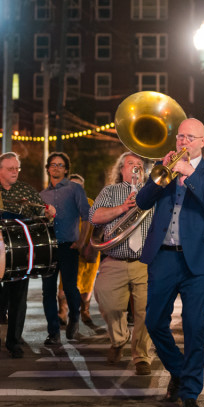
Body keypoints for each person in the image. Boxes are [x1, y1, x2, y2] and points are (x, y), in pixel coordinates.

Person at [136, 118, 204, 407]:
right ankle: (179, 370)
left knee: (193, 326)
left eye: (190, 137)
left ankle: (190, 393)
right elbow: (142, 201)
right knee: (154, 322)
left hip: (198, 259)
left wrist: (190, 176)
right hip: (163, 256)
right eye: (180, 136)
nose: (183, 141)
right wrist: (157, 177)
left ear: (203, 141)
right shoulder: (165, 169)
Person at [0, 152, 54, 359]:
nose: (14, 172)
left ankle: (14, 342)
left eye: (17, 168)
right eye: (10, 168)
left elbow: (40, 221)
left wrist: (48, 215)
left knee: (18, 300)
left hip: (20, 255)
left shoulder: (27, 191)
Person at [90, 152, 155, 375]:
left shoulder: (153, 191)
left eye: (140, 164)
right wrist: (122, 208)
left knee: (146, 311)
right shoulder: (110, 191)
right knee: (107, 302)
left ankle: (141, 356)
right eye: (131, 164)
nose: (136, 168)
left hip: (146, 262)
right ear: (121, 169)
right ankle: (118, 339)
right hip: (115, 258)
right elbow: (94, 216)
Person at [39, 152, 91, 346]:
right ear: (48, 168)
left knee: (70, 287)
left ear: (66, 169)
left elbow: (86, 216)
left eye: (60, 165)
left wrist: (81, 241)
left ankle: (74, 319)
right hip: (49, 249)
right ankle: (53, 332)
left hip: (69, 246)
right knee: (48, 291)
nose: (56, 168)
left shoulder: (75, 189)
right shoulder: (42, 195)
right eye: (53, 165)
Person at [69, 174, 100, 323]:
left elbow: (97, 227)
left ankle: (85, 311)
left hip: (88, 249)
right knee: (67, 285)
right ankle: (65, 313)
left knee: (87, 284)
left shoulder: (90, 203)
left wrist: (90, 246)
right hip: (71, 250)